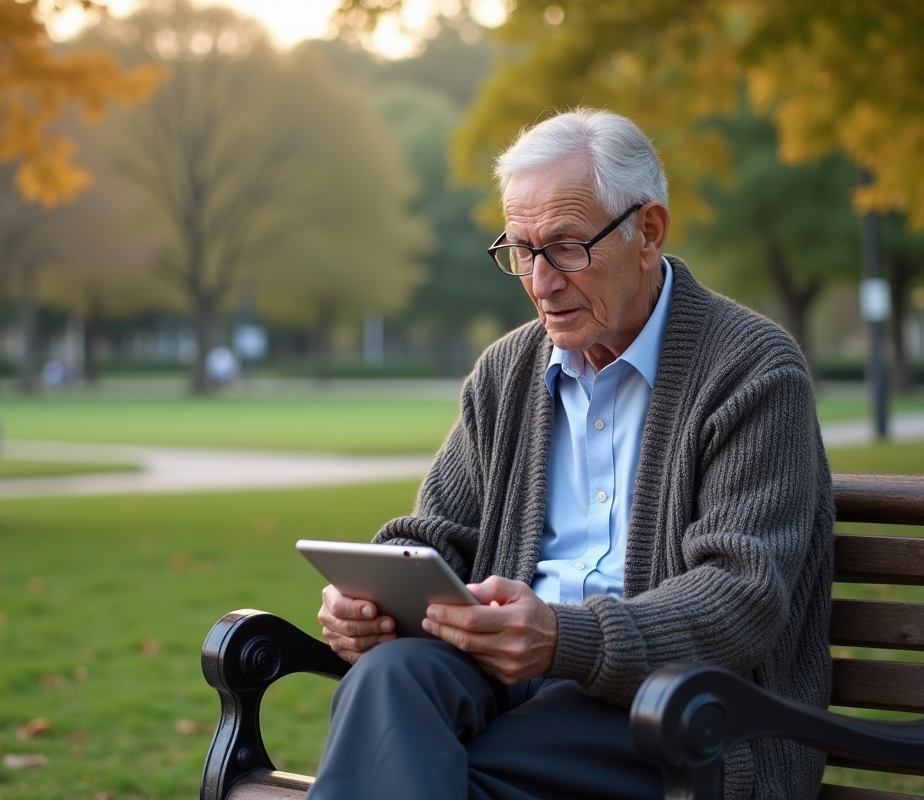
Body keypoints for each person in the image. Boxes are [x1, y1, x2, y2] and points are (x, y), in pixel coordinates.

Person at [311, 109, 834, 800]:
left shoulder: (752, 369)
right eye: (521, 250)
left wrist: (565, 640)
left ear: (648, 232)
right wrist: (369, 603)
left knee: (431, 772)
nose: (540, 281)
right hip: (508, 680)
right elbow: (434, 534)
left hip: (685, 714)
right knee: (391, 676)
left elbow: (741, 598)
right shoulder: (506, 372)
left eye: (564, 247)